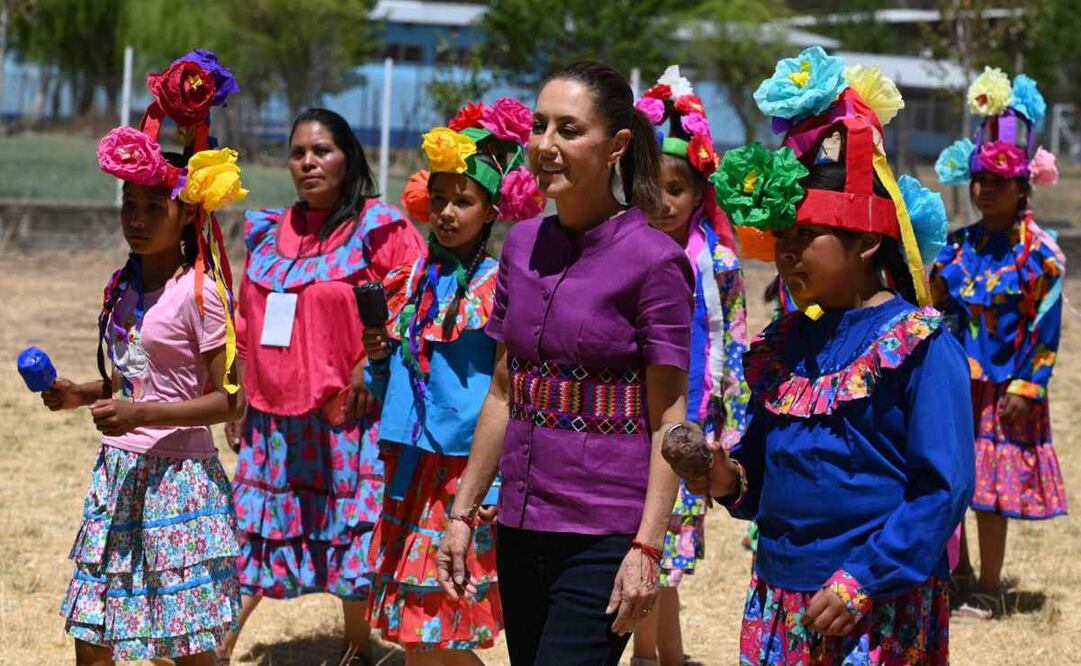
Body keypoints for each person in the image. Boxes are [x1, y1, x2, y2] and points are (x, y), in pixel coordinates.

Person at [681, 48, 974, 664]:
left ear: (868, 240)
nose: (787, 255)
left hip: (875, 604)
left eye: (805, 238)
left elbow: (941, 489)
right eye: (781, 239)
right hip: (781, 594)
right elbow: (760, 477)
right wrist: (724, 476)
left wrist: (864, 578)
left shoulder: (920, 345)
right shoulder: (785, 345)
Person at [436, 61, 694, 665]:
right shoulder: (522, 245)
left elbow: (670, 419)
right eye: (538, 126)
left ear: (617, 146)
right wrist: (462, 512)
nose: (546, 145)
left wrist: (648, 548)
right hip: (522, 524)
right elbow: (504, 391)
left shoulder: (656, 262)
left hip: (607, 534)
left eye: (569, 130)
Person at [44, 49, 249, 664]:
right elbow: (128, 379)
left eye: (151, 208)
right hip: (118, 475)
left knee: (183, 641)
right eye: (127, 206)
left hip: (178, 485)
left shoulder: (201, 294)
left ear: (185, 212)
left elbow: (228, 399)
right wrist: (81, 393)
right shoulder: (123, 284)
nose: (135, 219)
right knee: (95, 627)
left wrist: (141, 418)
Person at [219, 108, 425, 664]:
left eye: (321, 151)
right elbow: (245, 318)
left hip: (346, 418)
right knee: (255, 532)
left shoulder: (379, 228)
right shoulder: (267, 230)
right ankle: (218, 647)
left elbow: (412, 303)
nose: (308, 162)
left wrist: (367, 369)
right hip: (271, 418)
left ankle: (358, 648)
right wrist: (239, 392)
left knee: (349, 533)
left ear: (347, 157)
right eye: (298, 153)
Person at [361, 98, 545, 664]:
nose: (445, 212)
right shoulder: (412, 280)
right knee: (418, 627)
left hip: (466, 471)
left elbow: (507, 390)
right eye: (437, 199)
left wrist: (492, 485)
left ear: (491, 210)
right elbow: (397, 376)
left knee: (441, 618)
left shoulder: (499, 286)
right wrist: (379, 358)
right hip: (414, 468)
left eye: (462, 201)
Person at [931, 68, 1067, 618]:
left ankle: (987, 588)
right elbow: (933, 303)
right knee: (949, 480)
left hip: (1006, 390)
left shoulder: (1040, 253)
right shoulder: (956, 248)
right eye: (980, 180)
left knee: (989, 491)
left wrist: (1027, 385)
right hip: (955, 385)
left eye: (1000, 181)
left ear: (1023, 185)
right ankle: (956, 572)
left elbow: (1046, 328)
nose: (987, 190)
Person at [631, 65, 750, 666]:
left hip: (686, 429)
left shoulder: (719, 264)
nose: (663, 201)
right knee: (639, 545)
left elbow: (735, 339)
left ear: (700, 193)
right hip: (626, 424)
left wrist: (727, 427)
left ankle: (653, 658)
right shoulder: (624, 252)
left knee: (665, 555)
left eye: (676, 189)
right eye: (651, 187)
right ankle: (656, 657)